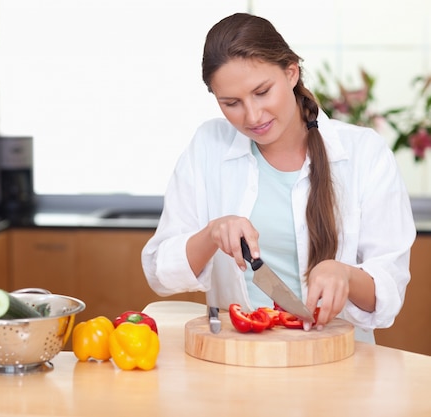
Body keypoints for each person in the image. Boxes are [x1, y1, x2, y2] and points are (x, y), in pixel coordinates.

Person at [141, 13, 416, 343]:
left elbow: (387, 295)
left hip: (342, 361)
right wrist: (212, 233)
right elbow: (160, 273)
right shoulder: (208, 146)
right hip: (239, 362)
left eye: (262, 92)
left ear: (291, 72)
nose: (252, 116)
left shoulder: (365, 153)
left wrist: (344, 274)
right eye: (231, 103)